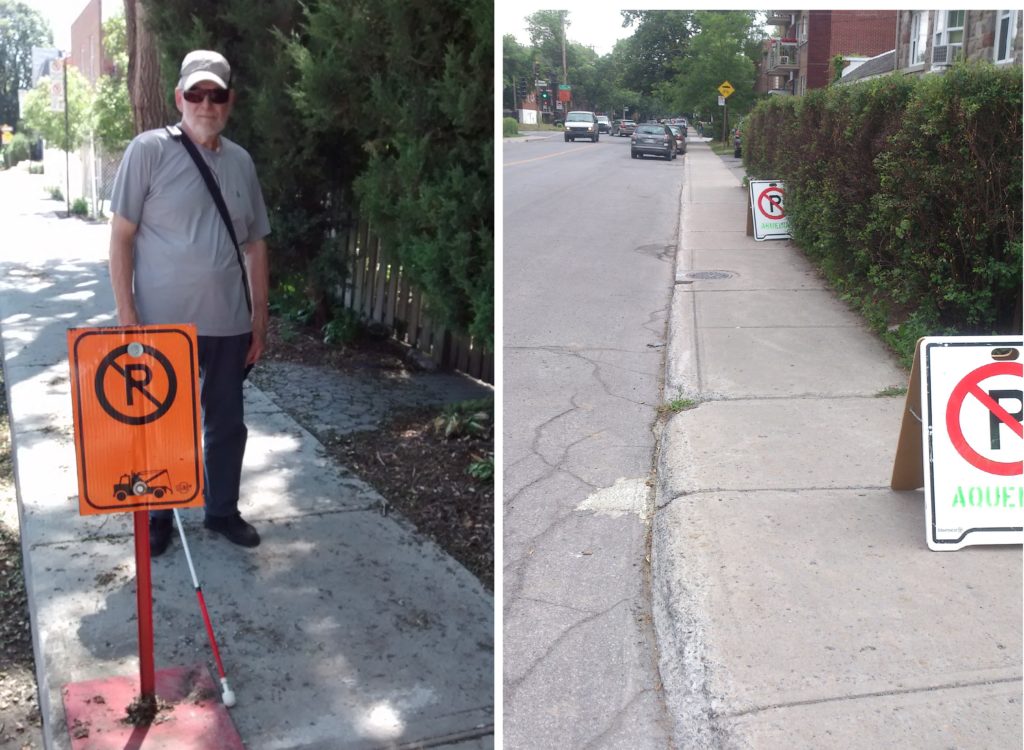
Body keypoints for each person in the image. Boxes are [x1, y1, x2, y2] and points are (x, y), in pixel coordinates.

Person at [108, 49, 270, 556]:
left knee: (227, 425)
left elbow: (256, 245)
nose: (206, 104)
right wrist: (127, 314)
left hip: (229, 323)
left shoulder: (241, 162)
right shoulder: (148, 151)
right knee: (161, 425)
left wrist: (259, 321)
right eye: (195, 94)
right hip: (161, 326)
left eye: (215, 95)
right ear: (179, 97)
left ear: (229, 101)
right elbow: (121, 237)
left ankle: (221, 511)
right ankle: (158, 515)